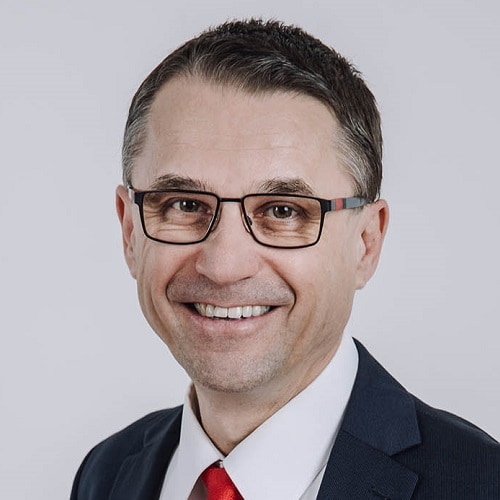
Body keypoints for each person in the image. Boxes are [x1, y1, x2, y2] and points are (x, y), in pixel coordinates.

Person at [71, 18, 500, 499]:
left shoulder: (482, 484)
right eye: (185, 205)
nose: (224, 266)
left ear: (366, 242)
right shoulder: (105, 474)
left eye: (283, 211)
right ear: (130, 232)